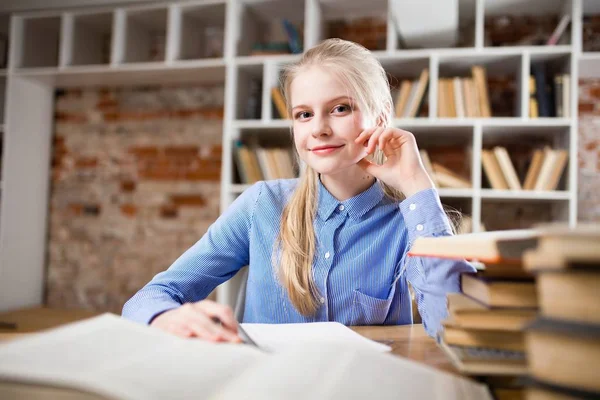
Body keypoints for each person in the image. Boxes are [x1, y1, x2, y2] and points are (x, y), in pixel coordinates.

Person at [122, 38, 475, 342]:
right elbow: (151, 296)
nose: (319, 129)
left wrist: (417, 187)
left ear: (380, 118)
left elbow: (455, 326)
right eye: (304, 114)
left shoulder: (406, 221)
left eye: (340, 108)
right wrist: (166, 317)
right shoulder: (262, 205)